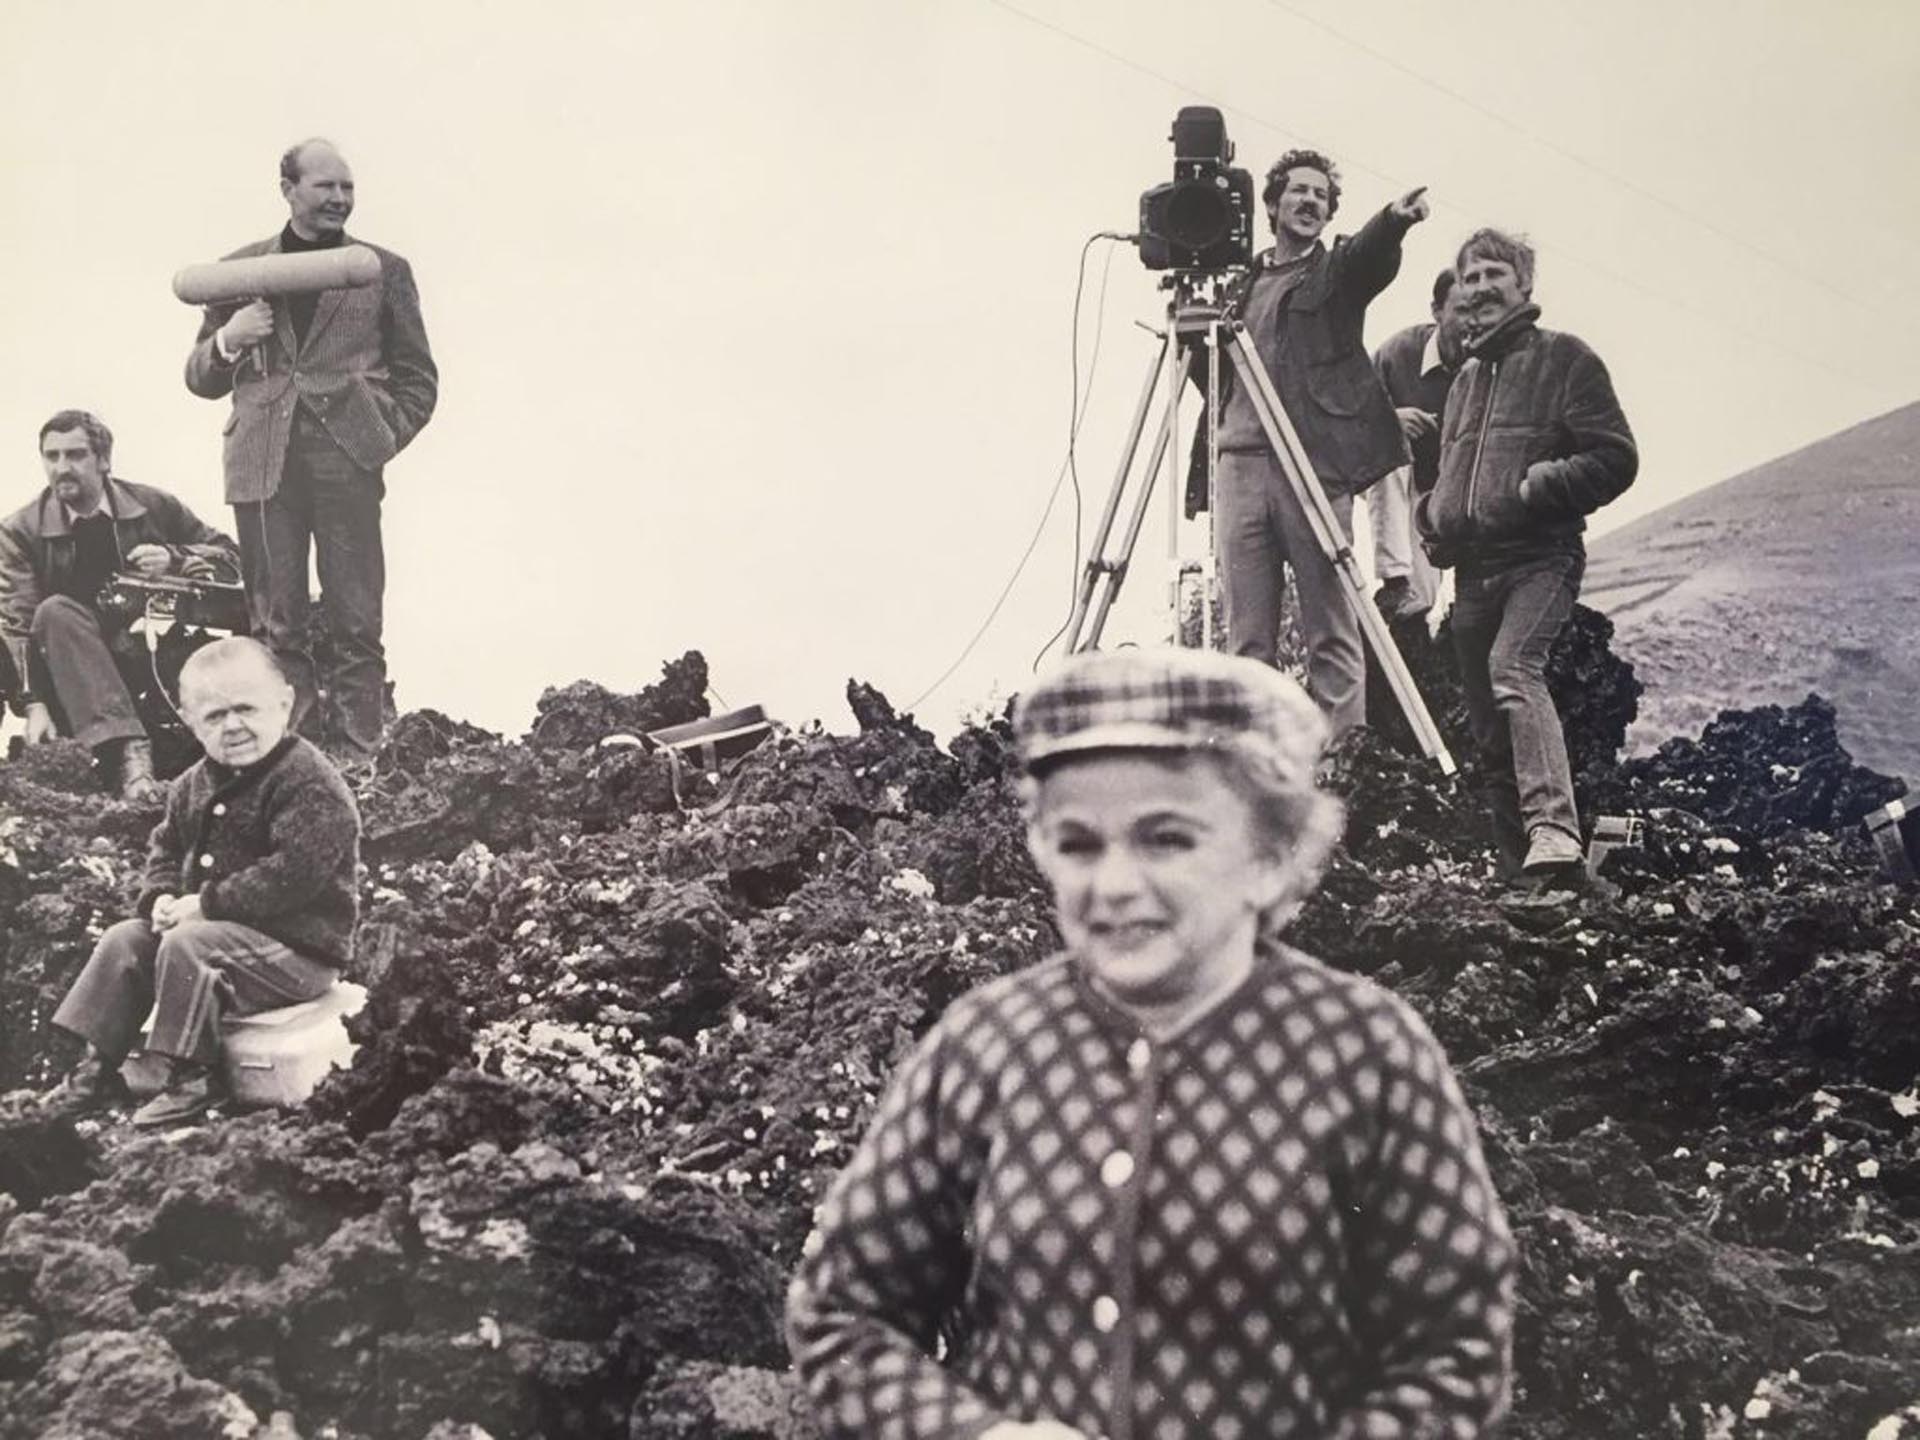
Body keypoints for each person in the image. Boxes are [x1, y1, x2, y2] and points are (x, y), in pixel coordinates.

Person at [787, 647, 1517, 1439]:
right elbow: (843, 1315)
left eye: (1166, 838)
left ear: (1272, 858)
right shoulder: (985, 1047)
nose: (1115, 883)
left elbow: (1456, 1354)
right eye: (1077, 844)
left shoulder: (1367, 1055)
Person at [184, 137, 438, 763]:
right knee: (275, 625)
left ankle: (361, 758)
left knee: (356, 618)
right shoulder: (236, 273)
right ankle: (285, 759)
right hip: (261, 465)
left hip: (345, 460)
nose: (340, 198)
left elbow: (419, 378)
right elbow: (199, 378)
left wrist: (376, 436)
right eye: (326, 186)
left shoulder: (381, 269)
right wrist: (230, 342)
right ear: (289, 190)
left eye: (347, 187)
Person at [43, 636, 360, 1127]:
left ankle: (193, 1076)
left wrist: (205, 904)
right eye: (214, 716)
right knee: (125, 939)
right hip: (220, 936)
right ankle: (96, 1068)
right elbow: (165, 847)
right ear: (190, 721)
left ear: (285, 704)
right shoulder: (193, 783)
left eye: (246, 709)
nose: (233, 725)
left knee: (191, 944)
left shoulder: (309, 783)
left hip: (299, 953)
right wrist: (163, 895)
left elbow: (293, 876)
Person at [1415, 228, 1637, 880]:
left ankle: (1555, 835)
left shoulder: (1566, 359)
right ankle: (1524, 878)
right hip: (1472, 573)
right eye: (1470, 277)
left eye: (1494, 274)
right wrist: (1435, 516)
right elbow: (1451, 475)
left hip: (1542, 557)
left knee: (1514, 670)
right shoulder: (1463, 382)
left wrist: (1540, 485)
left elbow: (1615, 457)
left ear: (1524, 285)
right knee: (1487, 731)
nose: (1481, 288)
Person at [1187, 148, 1430, 737]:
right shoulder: (1237, 282)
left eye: (1321, 196)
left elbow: (1369, 261)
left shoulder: (1334, 273)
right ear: (1271, 205)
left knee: (1332, 625)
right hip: (1238, 466)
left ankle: (1343, 770)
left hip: (1311, 467)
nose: (1310, 202)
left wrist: (1392, 220)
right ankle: (1258, 771)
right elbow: (1208, 370)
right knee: (1248, 638)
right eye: (1299, 191)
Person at [0, 410, 240, 802]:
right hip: (72, 679)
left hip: (151, 666)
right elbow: (17, 625)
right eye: (52, 456)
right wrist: (34, 705)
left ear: (104, 459)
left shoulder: (154, 506)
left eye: (75, 455)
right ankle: (132, 761)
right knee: (55, 610)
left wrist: (174, 557)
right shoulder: (20, 531)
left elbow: (231, 554)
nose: (62, 468)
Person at [1368, 267, 1468, 629]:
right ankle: (1395, 582)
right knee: (1415, 602)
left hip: (1459, 495)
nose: (1469, 322)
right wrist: (1390, 420)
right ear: (1437, 311)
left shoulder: (1492, 362)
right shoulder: (1397, 354)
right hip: (1406, 488)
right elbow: (1348, 419)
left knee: (1456, 610)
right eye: (1460, 310)